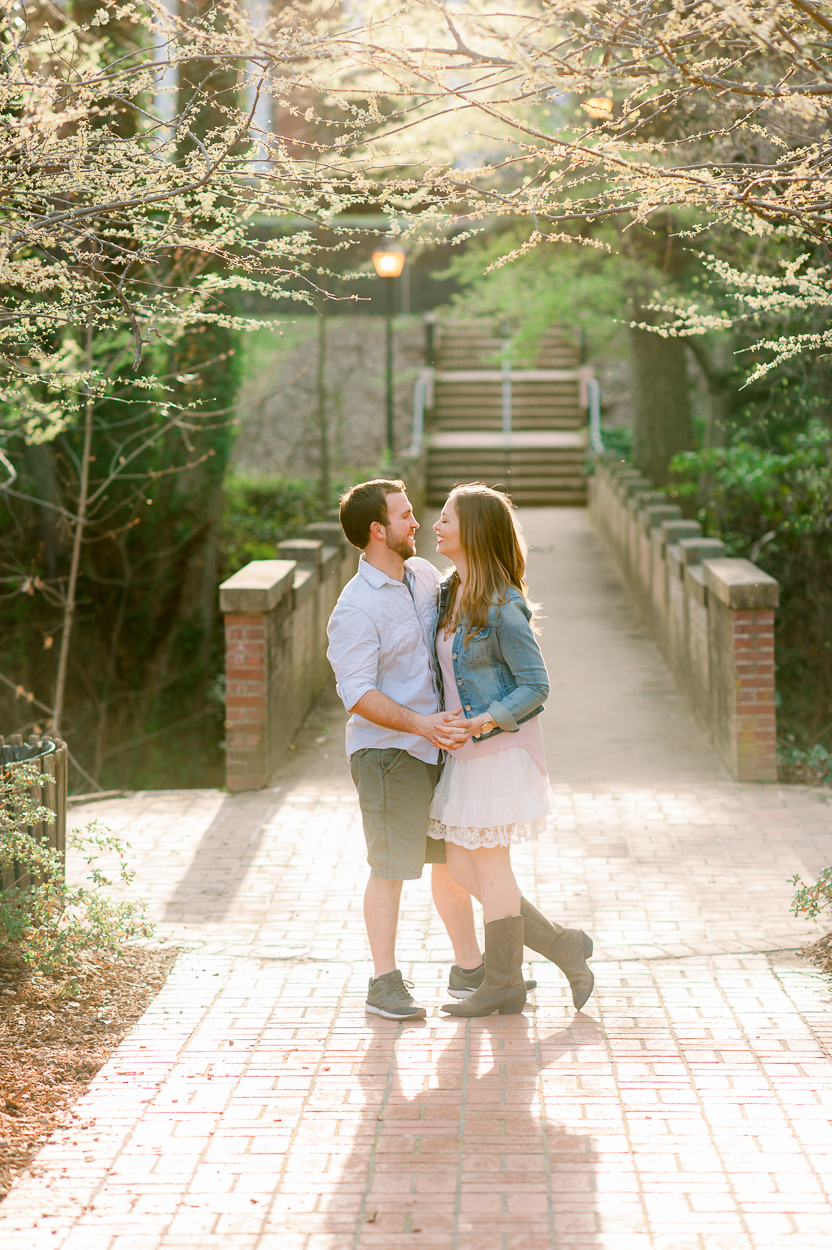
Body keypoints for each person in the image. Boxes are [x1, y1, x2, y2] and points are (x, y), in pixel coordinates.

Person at [326, 478, 593, 1021]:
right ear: (379, 530)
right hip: (391, 751)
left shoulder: (429, 579)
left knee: (457, 865)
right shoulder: (354, 608)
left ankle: (482, 968)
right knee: (393, 866)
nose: (419, 522)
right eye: (406, 516)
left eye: (431, 515)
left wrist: (463, 726)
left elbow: (510, 655)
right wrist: (427, 725)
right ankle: (386, 981)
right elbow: (356, 694)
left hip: (451, 747)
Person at [430, 484, 593, 1017]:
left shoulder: (502, 603)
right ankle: (562, 946)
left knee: (492, 868)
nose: (437, 525)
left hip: (499, 749)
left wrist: (480, 723)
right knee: (460, 866)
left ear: (474, 530)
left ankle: (503, 983)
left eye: (447, 519)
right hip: (466, 751)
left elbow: (536, 685)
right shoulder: (449, 591)